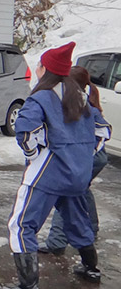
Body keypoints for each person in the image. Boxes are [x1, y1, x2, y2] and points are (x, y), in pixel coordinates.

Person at [1, 42, 106, 289]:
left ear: (44, 69)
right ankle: (91, 268)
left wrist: (34, 155)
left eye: (38, 64)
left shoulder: (42, 97)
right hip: (77, 174)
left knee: (22, 224)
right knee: (77, 221)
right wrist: (82, 155)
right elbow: (103, 131)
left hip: (47, 174)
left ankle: (28, 286)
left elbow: (25, 131)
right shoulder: (80, 96)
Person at [38, 65, 112, 255]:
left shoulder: (76, 101)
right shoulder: (82, 99)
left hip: (90, 157)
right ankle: (92, 229)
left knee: (66, 194)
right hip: (96, 157)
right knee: (81, 190)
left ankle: (57, 242)